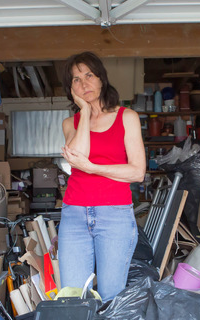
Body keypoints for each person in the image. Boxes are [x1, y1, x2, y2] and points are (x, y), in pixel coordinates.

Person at [57, 51, 146, 301]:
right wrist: (85, 111)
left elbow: (137, 172)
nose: (84, 83)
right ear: (70, 88)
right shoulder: (69, 123)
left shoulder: (126, 117)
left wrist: (93, 168)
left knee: (110, 296)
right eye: (76, 79)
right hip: (74, 215)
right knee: (72, 297)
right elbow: (78, 154)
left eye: (89, 75)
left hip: (114, 216)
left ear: (101, 79)